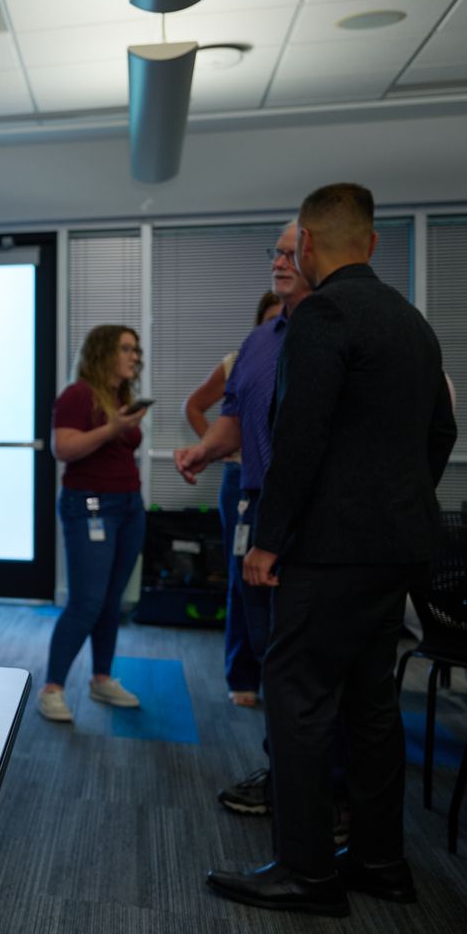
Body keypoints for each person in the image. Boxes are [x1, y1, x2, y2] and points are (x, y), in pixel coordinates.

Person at [206, 183, 456, 918]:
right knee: (372, 706)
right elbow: (440, 435)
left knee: (299, 698)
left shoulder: (322, 317)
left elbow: (300, 438)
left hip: (327, 551)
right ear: (372, 244)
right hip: (397, 549)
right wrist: (397, 501)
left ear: (308, 246)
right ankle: (380, 860)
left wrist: (269, 540)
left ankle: (307, 872)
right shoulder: (413, 324)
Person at [175, 224, 316, 817]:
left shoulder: (336, 335)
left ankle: (319, 789)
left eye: (290, 254)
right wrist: (204, 450)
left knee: (306, 659)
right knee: (266, 639)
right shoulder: (258, 344)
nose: (278, 263)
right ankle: (285, 773)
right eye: (275, 254)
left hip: (315, 515)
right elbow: (229, 420)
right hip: (254, 500)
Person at [37, 324, 147, 722]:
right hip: (90, 506)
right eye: (126, 349)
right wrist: (112, 429)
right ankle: (52, 690)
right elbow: (63, 447)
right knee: (86, 601)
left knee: (111, 601)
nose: (134, 356)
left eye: (136, 349)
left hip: (128, 506)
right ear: (103, 353)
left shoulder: (120, 396)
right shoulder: (77, 395)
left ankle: (102, 679)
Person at [184, 290, 283, 706]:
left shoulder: (310, 356)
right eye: (272, 319)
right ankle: (242, 675)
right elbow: (195, 406)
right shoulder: (241, 359)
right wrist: (215, 446)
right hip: (242, 479)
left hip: (284, 482)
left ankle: (281, 679)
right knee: (242, 579)